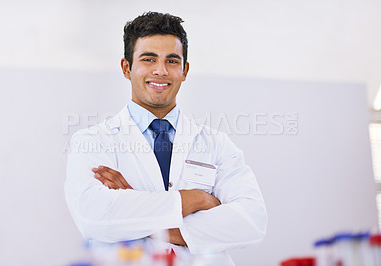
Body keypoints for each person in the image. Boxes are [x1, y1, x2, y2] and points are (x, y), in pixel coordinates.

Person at [65, 11, 267, 265]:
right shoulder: (93, 141)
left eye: (172, 61)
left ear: (185, 70)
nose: (160, 71)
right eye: (149, 59)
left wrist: (137, 211)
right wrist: (196, 199)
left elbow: (251, 221)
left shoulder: (217, 144)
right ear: (127, 68)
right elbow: (93, 216)